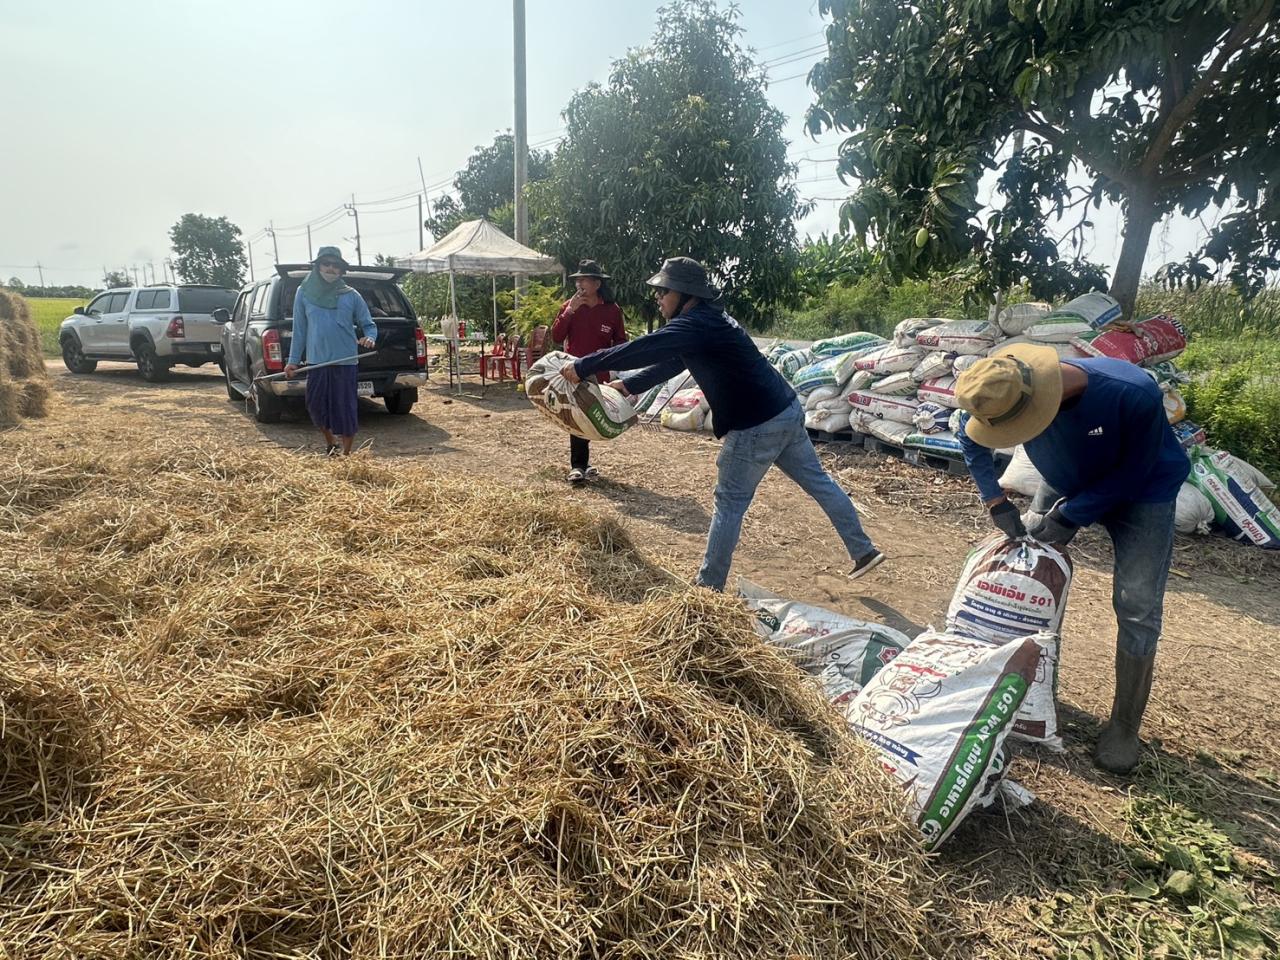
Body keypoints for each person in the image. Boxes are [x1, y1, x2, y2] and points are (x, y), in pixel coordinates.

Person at [561, 256, 884, 590]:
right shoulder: (708, 320)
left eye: (664, 291)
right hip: (784, 410)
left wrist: (585, 365)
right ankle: (863, 550)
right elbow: (673, 360)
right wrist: (629, 385)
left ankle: (707, 588)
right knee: (819, 482)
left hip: (756, 423)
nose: (658, 298)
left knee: (729, 501)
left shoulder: (695, 324)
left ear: (686, 293)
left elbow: (646, 348)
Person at [954, 343, 1191, 775]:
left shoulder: (1130, 392)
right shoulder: (1000, 386)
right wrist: (995, 501)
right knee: (1026, 570)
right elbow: (967, 438)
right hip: (1065, 478)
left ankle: (1123, 724)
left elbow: (1134, 471)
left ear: (1040, 405)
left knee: (1137, 603)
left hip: (1143, 493)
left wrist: (1070, 515)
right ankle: (1028, 687)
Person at [284, 247, 377, 456]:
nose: (330, 268)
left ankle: (346, 455)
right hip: (317, 361)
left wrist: (370, 338)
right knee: (316, 406)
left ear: (342, 270)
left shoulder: (351, 295)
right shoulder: (304, 293)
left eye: (335, 265)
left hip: (346, 361)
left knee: (345, 409)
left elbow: (368, 325)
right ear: (317, 266)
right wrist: (293, 361)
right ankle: (331, 442)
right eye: (326, 263)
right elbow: (300, 330)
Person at [551, 259, 627, 484]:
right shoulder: (569, 306)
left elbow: (621, 341)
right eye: (577, 280)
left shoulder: (612, 310)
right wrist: (570, 312)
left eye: (583, 280)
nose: (579, 284)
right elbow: (556, 337)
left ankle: (585, 463)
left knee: (593, 416)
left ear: (596, 283)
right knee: (577, 414)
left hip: (601, 374)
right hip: (574, 371)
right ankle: (578, 466)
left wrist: (615, 368)